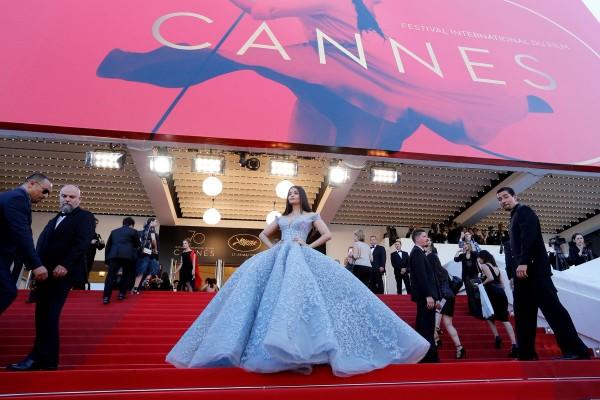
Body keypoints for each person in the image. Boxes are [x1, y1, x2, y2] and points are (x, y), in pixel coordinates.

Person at [166, 186, 429, 376]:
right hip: (281, 254)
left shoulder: (311, 216)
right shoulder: (280, 218)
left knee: (308, 293)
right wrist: (275, 245)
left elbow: (326, 235)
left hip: (301, 254)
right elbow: (263, 234)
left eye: (295, 193)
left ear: (301, 197)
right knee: (272, 294)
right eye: (289, 193)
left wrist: (307, 244)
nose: (292, 196)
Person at [7, 185, 95, 371]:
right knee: (43, 316)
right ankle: (47, 360)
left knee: (48, 316)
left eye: (72, 196)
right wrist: (35, 269)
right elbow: (42, 245)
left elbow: (82, 244)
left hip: (62, 274)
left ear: (79, 199)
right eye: (64, 196)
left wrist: (66, 265)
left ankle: (38, 358)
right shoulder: (54, 219)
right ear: (59, 198)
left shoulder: (85, 217)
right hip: (45, 275)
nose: (67, 199)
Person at [497, 186, 589, 361]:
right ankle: (526, 354)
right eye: (500, 199)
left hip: (536, 271)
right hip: (523, 275)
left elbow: (529, 237)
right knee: (523, 313)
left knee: (553, 310)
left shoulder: (524, 211)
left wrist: (524, 261)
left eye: (505, 197)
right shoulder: (514, 217)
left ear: (515, 196)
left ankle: (577, 350)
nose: (503, 201)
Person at [0, 173, 51, 315]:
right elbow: (21, 234)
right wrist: (36, 265)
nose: (46, 196)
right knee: (7, 291)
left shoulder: (7, 196)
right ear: (31, 183)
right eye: (45, 191)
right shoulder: (18, 199)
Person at [425, 239, 465, 359]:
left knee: (432, 322)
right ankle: (459, 347)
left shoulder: (433, 271)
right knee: (448, 324)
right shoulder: (443, 271)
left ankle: (437, 340)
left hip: (442, 298)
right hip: (450, 296)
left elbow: (436, 286)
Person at [477, 250, 518, 358]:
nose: (479, 260)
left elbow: (490, 278)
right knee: (505, 319)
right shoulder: (496, 268)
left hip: (491, 292)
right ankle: (514, 344)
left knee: (489, 316)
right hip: (501, 293)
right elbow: (502, 284)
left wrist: (480, 284)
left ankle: (497, 336)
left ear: (483, 257)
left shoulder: (485, 266)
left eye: (479, 258)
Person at [409, 229, 439, 363]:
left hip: (426, 296)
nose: (427, 238)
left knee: (425, 326)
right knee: (426, 326)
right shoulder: (417, 253)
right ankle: (429, 357)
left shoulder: (419, 253)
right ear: (417, 239)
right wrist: (428, 295)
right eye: (424, 236)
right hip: (425, 297)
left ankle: (426, 356)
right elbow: (421, 276)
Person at [102, 217, 139, 304]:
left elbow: (108, 246)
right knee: (126, 276)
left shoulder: (114, 231)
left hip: (114, 256)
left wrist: (106, 260)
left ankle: (106, 297)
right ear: (131, 225)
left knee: (110, 277)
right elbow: (138, 245)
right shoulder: (133, 231)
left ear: (123, 223)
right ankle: (121, 294)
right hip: (128, 257)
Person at [132, 218, 159, 294]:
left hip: (142, 253)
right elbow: (153, 240)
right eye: (155, 221)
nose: (156, 222)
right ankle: (146, 280)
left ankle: (135, 288)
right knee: (154, 267)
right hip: (148, 252)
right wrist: (156, 249)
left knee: (141, 270)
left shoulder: (143, 230)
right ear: (151, 222)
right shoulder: (152, 229)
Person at [454, 242, 480, 317]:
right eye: (464, 245)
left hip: (474, 276)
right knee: (470, 294)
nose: (465, 246)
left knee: (476, 293)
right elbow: (455, 259)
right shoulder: (462, 255)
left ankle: (478, 310)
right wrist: (458, 251)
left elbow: (480, 260)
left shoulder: (474, 253)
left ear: (469, 246)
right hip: (466, 277)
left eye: (466, 245)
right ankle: (472, 311)